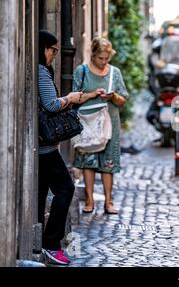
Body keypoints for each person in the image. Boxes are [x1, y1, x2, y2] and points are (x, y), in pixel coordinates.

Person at [38, 30, 97, 265]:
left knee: (42, 193)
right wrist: (70, 98)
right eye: (53, 50)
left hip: (42, 147)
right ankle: (51, 243)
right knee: (65, 188)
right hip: (46, 149)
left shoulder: (41, 70)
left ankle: (41, 242)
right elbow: (51, 105)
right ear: (44, 49)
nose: (54, 54)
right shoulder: (41, 72)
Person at [72, 38, 129, 215]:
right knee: (88, 161)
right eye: (100, 58)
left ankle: (109, 201)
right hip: (88, 122)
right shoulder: (82, 71)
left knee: (108, 161)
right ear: (93, 55)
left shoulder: (114, 73)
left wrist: (112, 97)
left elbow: (123, 100)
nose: (104, 62)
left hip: (109, 122)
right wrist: (92, 94)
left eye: (107, 58)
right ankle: (89, 200)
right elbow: (74, 98)